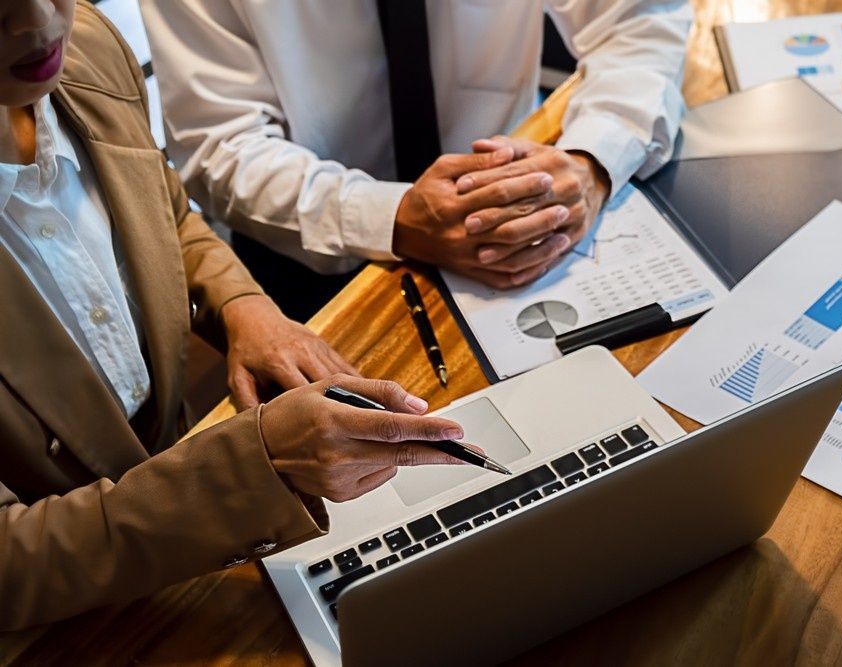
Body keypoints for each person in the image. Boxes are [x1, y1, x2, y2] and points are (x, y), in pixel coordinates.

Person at [0, 0, 476, 631]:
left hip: (195, 544)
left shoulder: (84, 50)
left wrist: (241, 305)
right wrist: (252, 466)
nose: (38, 21)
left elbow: (165, 211)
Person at [140, 0, 693, 320]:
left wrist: (593, 160)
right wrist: (392, 216)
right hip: (315, 250)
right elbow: (220, 143)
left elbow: (638, 18)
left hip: (519, 212)